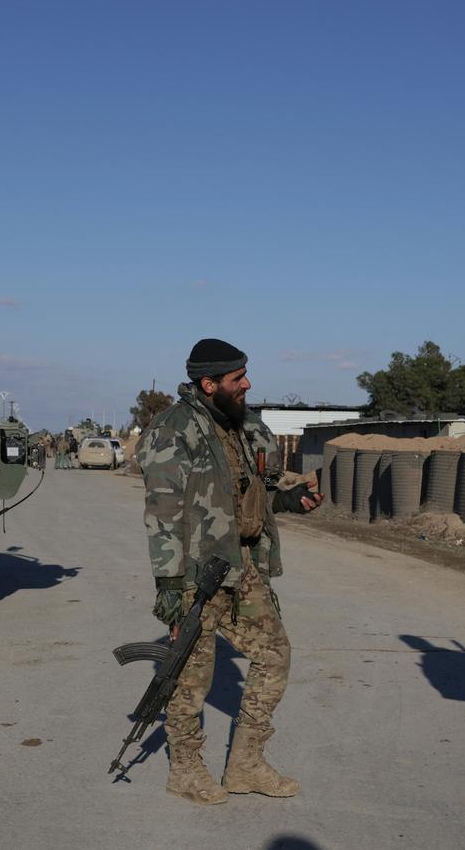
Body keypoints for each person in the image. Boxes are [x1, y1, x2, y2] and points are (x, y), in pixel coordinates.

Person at [137, 338, 323, 805]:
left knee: (274, 654)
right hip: (198, 575)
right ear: (209, 383)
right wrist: (170, 585)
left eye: (245, 375)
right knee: (189, 677)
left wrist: (291, 498)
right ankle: (185, 769)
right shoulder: (173, 430)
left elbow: (259, 487)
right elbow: (162, 513)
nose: (248, 384)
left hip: (244, 568)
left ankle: (245, 764)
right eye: (238, 378)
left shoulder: (246, 425)